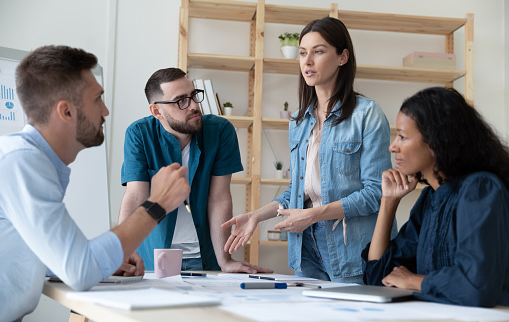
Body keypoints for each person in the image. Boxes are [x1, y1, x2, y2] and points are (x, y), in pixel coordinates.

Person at [0, 45, 191, 321]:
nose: (106, 110)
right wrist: (157, 204)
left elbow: (38, 255)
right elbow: (79, 270)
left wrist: (105, 261)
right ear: (66, 112)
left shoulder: (28, 161)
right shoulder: (22, 163)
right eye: (97, 99)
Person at [222, 17, 395, 283]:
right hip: (306, 248)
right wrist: (257, 215)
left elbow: (375, 193)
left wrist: (312, 215)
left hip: (351, 248)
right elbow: (299, 190)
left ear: (342, 57)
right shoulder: (299, 120)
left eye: (319, 51)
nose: (307, 61)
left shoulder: (367, 114)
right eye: (303, 53)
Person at [362, 87, 509, 307]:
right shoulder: (430, 198)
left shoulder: (480, 189)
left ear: (436, 142)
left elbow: (477, 287)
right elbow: (378, 277)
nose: (393, 147)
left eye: (402, 137)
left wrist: (414, 280)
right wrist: (388, 201)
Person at [119, 67, 270, 274]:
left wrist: (224, 260)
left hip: (203, 256)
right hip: (153, 257)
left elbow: (219, 198)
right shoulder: (139, 134)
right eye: (181, 100)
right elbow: (136, 195)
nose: (193, 106)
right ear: (156, 111)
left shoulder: (220, 131)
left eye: (194, 96)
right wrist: (120, 252)